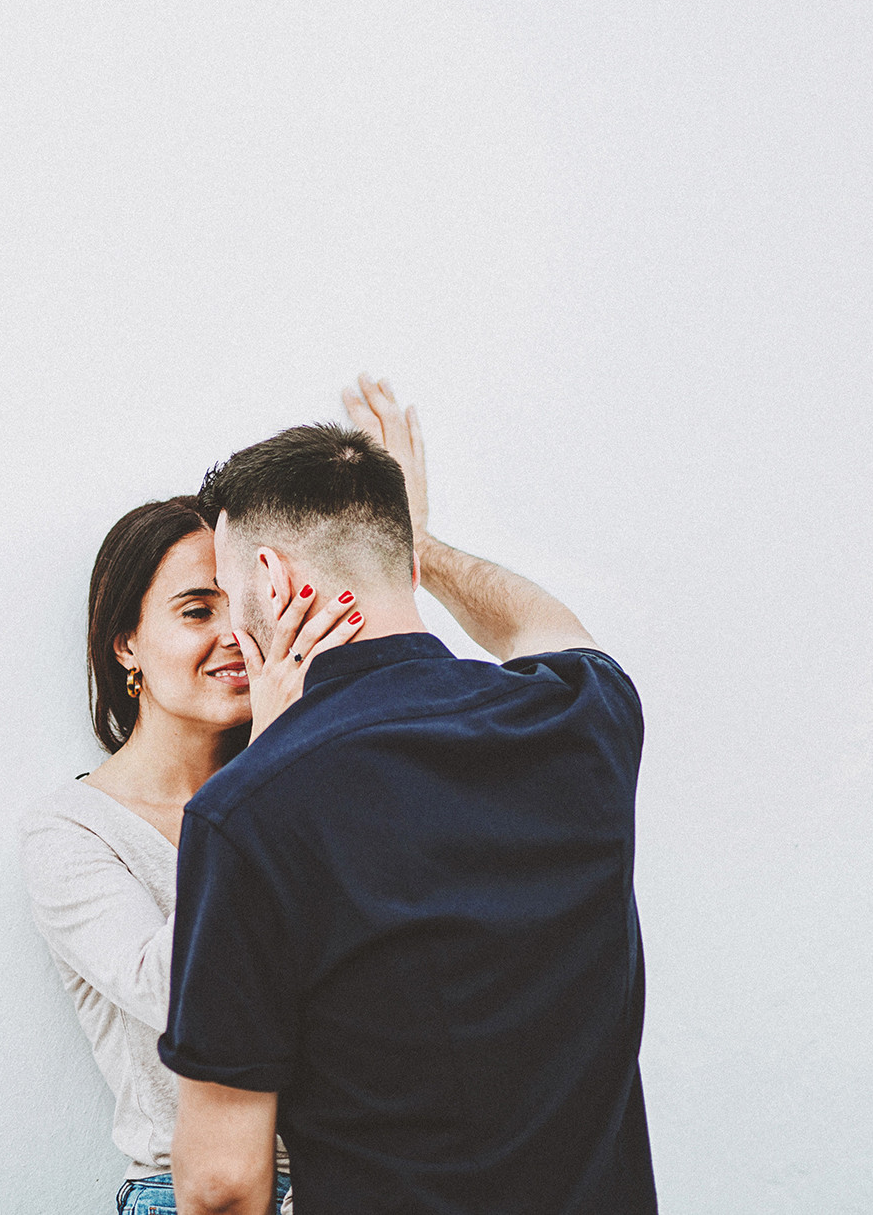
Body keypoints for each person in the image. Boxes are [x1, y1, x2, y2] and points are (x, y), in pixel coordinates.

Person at [161, 375, 657, 1215]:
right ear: (404, 560)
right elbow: (546, 625)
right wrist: (423, 542)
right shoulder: (584, 719)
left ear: (273, 581)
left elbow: (219, 1186)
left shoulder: (249, 811)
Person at [20, 481, 367, 1215]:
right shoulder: (74, 832)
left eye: (247, 610)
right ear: (125, 643)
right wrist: (275, 757)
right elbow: (181, 994)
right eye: (196, 611)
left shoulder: (314, 793)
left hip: (357, 1181)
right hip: (190, 1195)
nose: (235, 638)